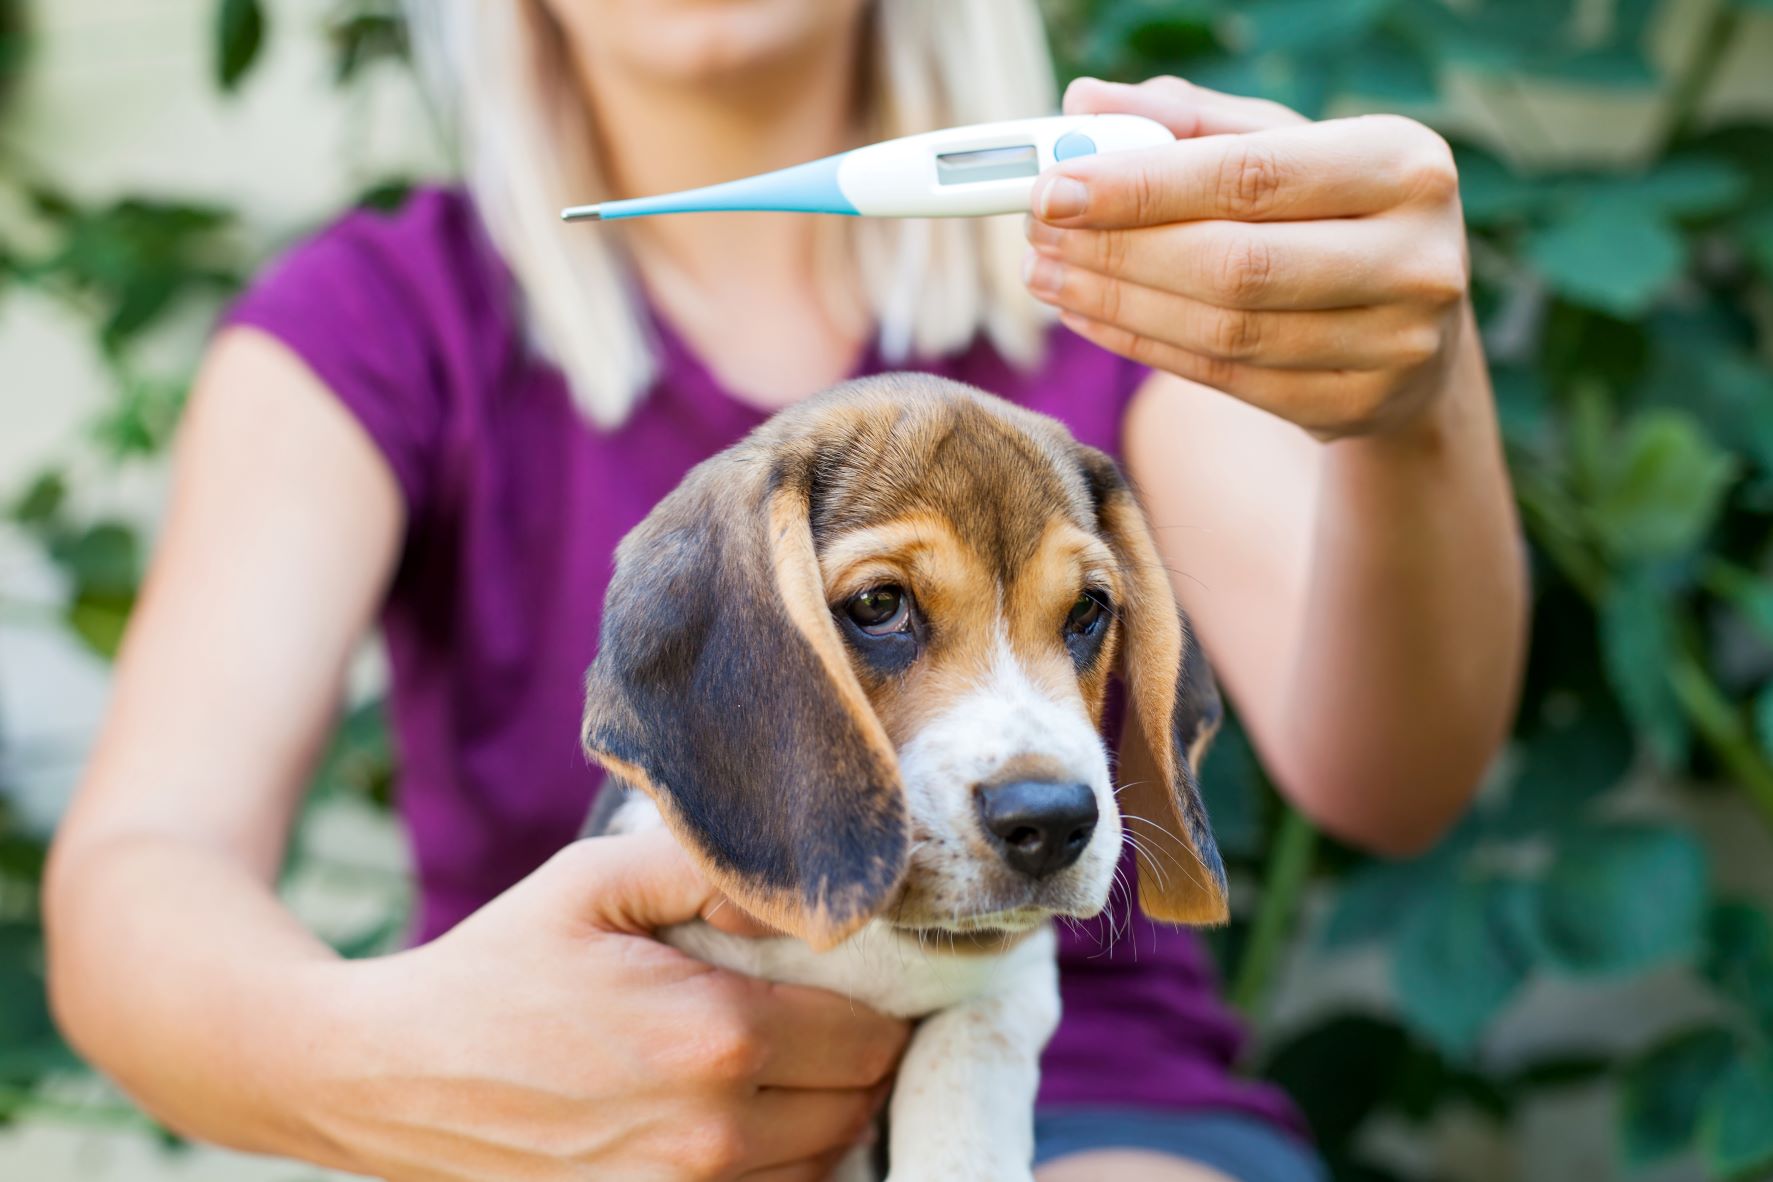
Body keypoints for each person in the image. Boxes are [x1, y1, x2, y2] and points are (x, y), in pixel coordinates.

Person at [42, 1, 1525, 1179]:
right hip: (582, 1121)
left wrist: (1411, 406)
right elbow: (145, 865)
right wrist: (376, 1065)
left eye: (1082, 621)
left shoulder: (1126, 276)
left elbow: (1384, 779)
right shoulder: (377, 322)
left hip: (1080, 1105)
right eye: (885, 602)